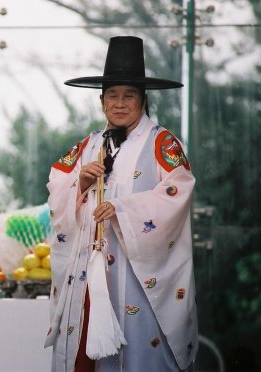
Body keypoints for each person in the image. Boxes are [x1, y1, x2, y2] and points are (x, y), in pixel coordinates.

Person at [44, 36, 198, 372]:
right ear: (101, 102)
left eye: (129, 95)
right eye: (112, 95)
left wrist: (124, 210)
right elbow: (56, 184)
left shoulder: (163, 141)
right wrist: (80, 183)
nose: (119, 103)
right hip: (92, 267)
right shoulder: (88, 144)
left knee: (140, 344)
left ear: (143, 100)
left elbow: (179, 189)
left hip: (137, 269)